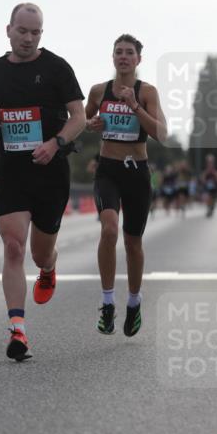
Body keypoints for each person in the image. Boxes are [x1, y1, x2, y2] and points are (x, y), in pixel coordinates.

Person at [0, 2, 86, 362]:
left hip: (51, 173)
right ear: (8, 30)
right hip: (12, 172)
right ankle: (18, 330)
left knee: (40, 253)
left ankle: (49, 267)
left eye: (35, 32)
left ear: (41, 34)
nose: (28, 38)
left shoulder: (57, 68)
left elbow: (79, 116)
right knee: (13, 247)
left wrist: (56, 144)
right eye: (22, 31)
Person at [85, 34, 167, 337]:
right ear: (112, 57)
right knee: (108, 229)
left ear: (138, 60)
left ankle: (134, 302)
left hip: (137, 172)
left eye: (129, 53)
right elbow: (83, 119)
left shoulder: (146, 92)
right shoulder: (98, 91)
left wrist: (134, 106)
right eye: (118, 52)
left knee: (133, 243)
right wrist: (91, 124)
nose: (123, 57)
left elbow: (161, 133)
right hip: (108, 170)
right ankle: (107, 302)